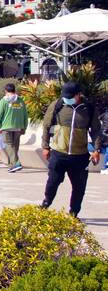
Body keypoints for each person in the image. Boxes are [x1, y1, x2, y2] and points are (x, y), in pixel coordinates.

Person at [40, 83, 104, 219]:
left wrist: (97, 149)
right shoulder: (57, 105)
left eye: (70, 97)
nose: (67, 99)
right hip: (58, 153)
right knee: (52, 182)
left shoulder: (89, 108)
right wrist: (45, 146)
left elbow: (96, 130)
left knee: (79, 188)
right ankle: (45, 205)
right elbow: (46, 126)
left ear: (78, 95)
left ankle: (74, 213)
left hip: (79, 156)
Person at [0, 83, 29, 172]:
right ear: (14, 90)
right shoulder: (20, 101)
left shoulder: (4, 101)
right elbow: (25, 114)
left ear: (6, 91)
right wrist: (24, 127)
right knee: (14, 146)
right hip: (18, 127)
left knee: (8, 145)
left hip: (6, 127)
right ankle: (12, 166)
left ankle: (16, 163)